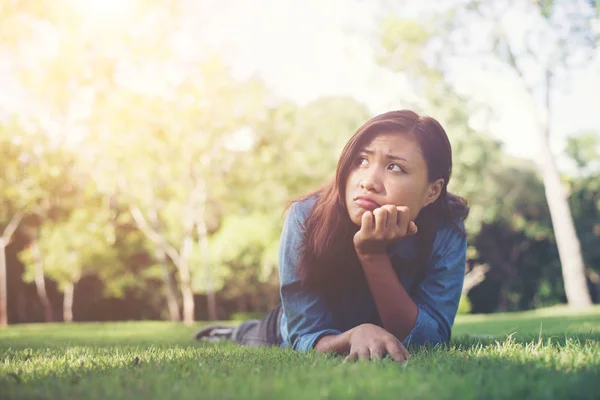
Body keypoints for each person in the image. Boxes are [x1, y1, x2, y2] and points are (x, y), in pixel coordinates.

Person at [194, 110, 469, 363]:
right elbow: (304, 335)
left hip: (375, 323)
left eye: (395, 167)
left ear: (432, 192)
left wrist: (373, 255)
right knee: (256, 337)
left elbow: (429, 341)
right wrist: (351, 336)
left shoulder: (446, 230)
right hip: (286, 328)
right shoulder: (305, 217)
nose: (368, 181)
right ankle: (229, 333)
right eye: (361, 160)